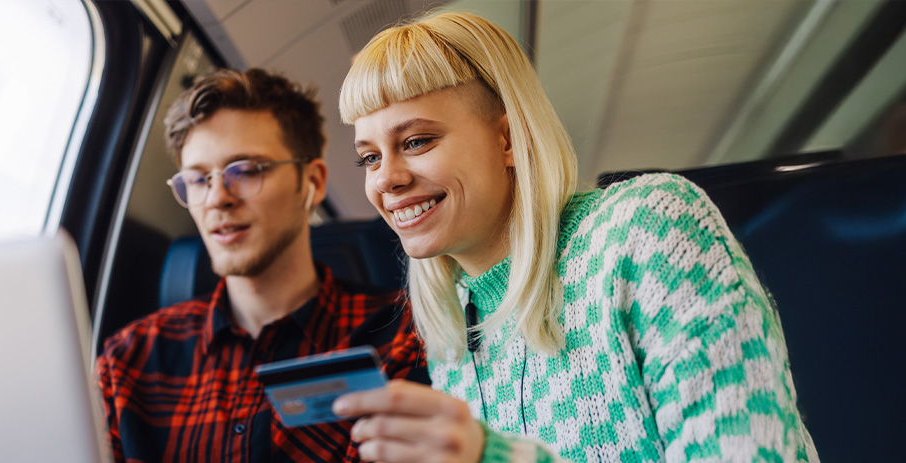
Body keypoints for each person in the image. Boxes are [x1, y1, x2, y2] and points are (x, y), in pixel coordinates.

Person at [331, 12, 818, 463]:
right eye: (369, 157)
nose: (385, 179)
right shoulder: (454, 332)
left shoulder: (645, 228)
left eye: (416, 142)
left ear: (507, 138)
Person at [95, 68, 428, 463]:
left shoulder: (403, 335)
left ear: (312, 183)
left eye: (246, 170)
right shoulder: (127, 362)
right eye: (198, 180)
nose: (218, 198)